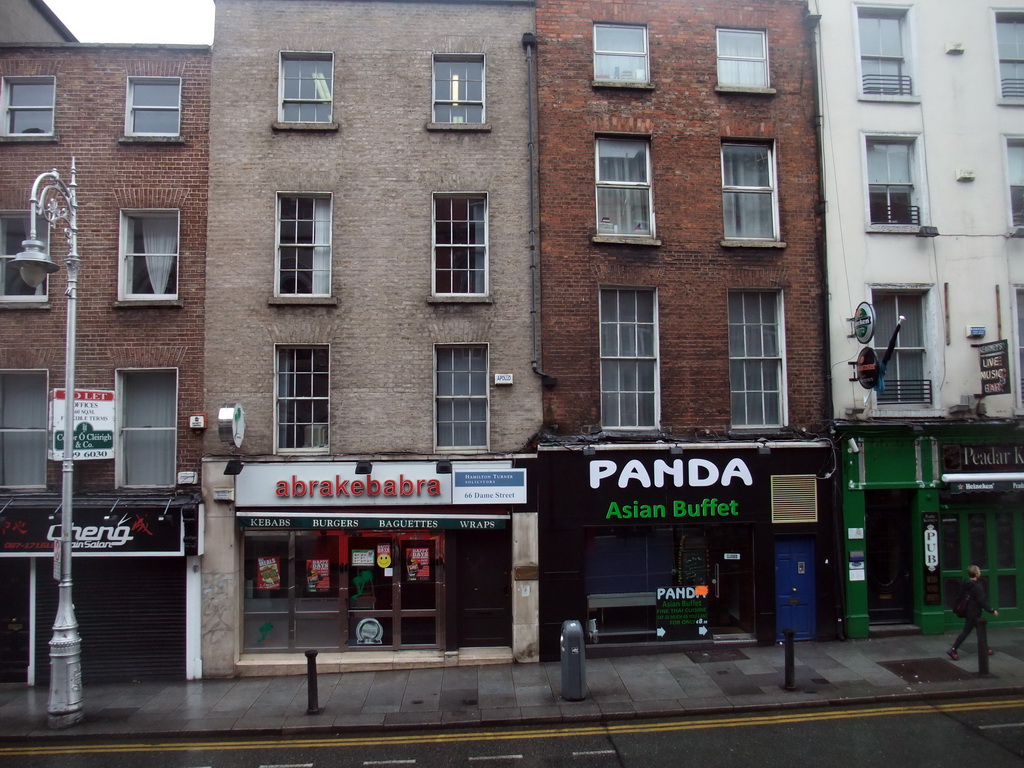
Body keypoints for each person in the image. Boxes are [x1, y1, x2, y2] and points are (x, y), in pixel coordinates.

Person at [947, 565, 999, 661]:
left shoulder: (966, 584)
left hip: (968, 611)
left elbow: (959, 597)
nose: (980, 572)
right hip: (974, 613)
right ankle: (953, 649)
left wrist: (955, 609)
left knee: (979, 631)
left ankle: (986, 649)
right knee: (968, 631)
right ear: (976, 574)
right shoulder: (978, 587)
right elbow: (982, 602)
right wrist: (992, 610)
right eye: (979, 571)